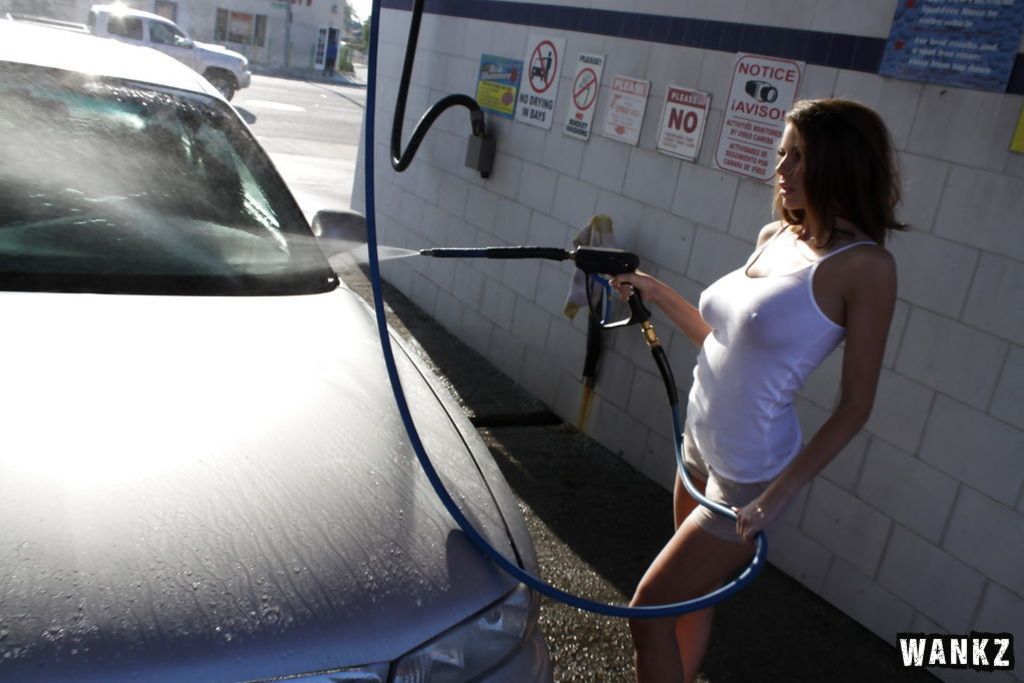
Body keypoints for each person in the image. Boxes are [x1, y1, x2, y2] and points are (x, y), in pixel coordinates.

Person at [612, 98, 903, 683]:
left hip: (750, 476)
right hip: (698, 443)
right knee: (687, 603)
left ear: (840, 168)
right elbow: (722, 341)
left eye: (800, 158)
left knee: (646, 614)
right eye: (782, 153)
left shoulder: (865, 268)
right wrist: (658, 294)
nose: (782, 169)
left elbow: (855, 405)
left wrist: (776, 496)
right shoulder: (776, 235)